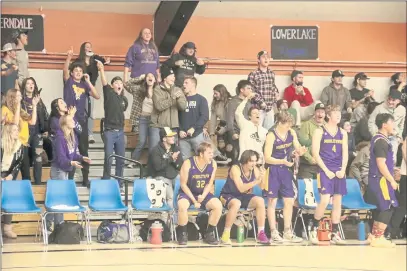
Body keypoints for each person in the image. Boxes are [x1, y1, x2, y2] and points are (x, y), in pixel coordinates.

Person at [263, 111, 306, 243]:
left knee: (289, 201)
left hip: (286, 170)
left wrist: (300, 151)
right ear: (280, 123)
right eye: (287, 125)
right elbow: (267, 158)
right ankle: (274, 232)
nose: (289, 127)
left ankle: (287, 231)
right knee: (272, 202)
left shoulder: (291, 133)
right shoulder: (271, 136)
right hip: (272, 170)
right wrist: (282, 161)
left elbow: (297, 147)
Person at [310, 105, 349, 245]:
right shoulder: (319, 131)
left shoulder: (343, 132)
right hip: (325, 169)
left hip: (339, 170)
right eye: (335, 113)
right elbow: (315, 153)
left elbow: (345, 152)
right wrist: (326, 170)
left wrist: (343, 169)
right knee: (325, 200)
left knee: (337, 202)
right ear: (328, 116)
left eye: (339, 113)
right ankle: (313, 228)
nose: (338, 116)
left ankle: (334, 233)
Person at [63, 47, 100, 187]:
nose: (78, 73)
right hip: (69, 121)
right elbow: (65, 71)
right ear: (72, 73)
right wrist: (68, 58)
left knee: (84, 150)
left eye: (80, 71)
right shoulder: (69, 82)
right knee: (71, 149)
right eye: (76, 71)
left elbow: (97, 96)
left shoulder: (84, 85)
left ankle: (86, 178)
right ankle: (70, 179)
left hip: (82, 121)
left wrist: (89, 81)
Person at [49, 115, 91, 230]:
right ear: (64, 123)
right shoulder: (60, 138)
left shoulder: (73, 137)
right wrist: (71, 163)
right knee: (59, 199)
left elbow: (73, 155)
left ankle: (55, 225)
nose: (74, 122)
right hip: (58, 170)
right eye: (71, 120)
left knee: (60, 198)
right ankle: (57, 226)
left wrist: (82, 158)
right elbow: (61, 159)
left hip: (65, 169)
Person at [176, 142, 222, 245]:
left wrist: (203, 196)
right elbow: (183, 184)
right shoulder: (188, 163)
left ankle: (209, 233)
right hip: (188, 192)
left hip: (202, 193)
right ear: (201, 154)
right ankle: (182, 233)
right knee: (182, 206)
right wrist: (194, 200)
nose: (212, 155)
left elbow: (210, 183)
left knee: (218, 205)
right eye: (209, 153)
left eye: (212, 153)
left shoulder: (213, 163)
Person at [219, 150, 269, 244]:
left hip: (243, 196)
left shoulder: (255, 169)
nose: (254, 163)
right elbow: (241, 188)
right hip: (227, 195)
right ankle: (226, 234)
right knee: (236, 203)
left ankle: (261, 233)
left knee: (260, 201)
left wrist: (263, 177)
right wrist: (255, 181)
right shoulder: (235, 168)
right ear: (245, 160)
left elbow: (262, 187)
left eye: (255, 161)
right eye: (251, 161)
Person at [365, 113, 398, 247]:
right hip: (381, 180)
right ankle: (379, 237)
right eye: (392, 122)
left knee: (380, 208)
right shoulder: (381, 142)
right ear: (384, 125)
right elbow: (381, 164)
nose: (394, 125)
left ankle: (373, 236)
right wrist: (392, 180)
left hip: (377, 179)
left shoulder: (378, 139)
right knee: (388, 206)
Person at [75, 41, 111, 144]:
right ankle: (80, 133)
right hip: (80, 88)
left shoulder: (95, 59)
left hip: (91, 88)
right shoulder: (79, 61)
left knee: (90, 112)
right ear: (83, 49)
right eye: (87, 47)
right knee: (80, 112)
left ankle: (90, 134)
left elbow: (105, 62)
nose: (89, 48)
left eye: (90, 46)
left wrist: (107, 61)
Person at [99, 63, 128, 185]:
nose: (119, 85)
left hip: (120, 132)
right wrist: (101, 69)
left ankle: (119, 182)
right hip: (109, 131)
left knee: (120, 159)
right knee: (108, 158)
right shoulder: (109, 94)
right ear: (112, 85)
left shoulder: (124, 100)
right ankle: (106, 180)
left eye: (120, 83)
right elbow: (104, 83)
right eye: (116, 83)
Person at [2, 88, 39, 182]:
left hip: (22, 144)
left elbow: (33, 121)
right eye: (18, 96)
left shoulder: (21, 110)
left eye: (20, 96)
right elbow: (15, 124)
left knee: (26, 172)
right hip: (10, 144)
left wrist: (34, 106)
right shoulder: (4, 109)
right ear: (12, 97)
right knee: (10, 173)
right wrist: (18, 107)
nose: (20, 98)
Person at [150, 65, 187, 151]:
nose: (173, 78)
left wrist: (178, 99)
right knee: (154, 151)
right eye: (170, 76)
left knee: (172, 151)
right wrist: (172, 98)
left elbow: (183, 107)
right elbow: (159, 106)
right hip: (157, 126)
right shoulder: (157, 89)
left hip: (173, 126)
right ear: (165, 78)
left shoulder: (178, 89)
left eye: (174, 76)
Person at [21, 77, 49, 185]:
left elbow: (44, 116)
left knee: (38, 158)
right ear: (24, 86)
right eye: (28, 83)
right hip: (25, 133)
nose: (30, 85)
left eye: (32, 83)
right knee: (25, 160)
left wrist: (45, 129)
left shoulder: (39, 100)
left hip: (37, 133)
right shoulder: (21, 101)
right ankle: (26, 184)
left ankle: (38, 183)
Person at [148, 127, 184, 208]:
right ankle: (171, 217)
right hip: (160, 175)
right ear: (164, 139)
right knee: (170, 196)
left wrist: (175, 161)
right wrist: (171, 158)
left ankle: (181, 213)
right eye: (170, 136)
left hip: (174, 175)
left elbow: (180, 166)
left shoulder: (176, 148)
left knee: (183, 186)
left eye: (173, 136)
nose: (173, 138)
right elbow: (158, 167)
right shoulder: (156, 150)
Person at [368, 89, 405, 166]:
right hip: (380, 137)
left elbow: (401, 125)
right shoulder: (379, 108)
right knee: (380, 160)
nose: (390, 102)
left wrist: (398, 137)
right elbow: (371, 122)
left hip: (394, 137)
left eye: (393, 100)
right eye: (389, 99)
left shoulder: (402, 110)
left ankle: (389, 176)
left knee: (392, 160)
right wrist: (376, 135)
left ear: (398, 101)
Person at [1, 124, 24, 239]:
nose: (17, 132)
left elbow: (18, 164)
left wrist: (11, 176)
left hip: (9, 175)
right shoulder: (1, 144)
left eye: (17, 129)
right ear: (8, 131)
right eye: (14, 130)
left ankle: (7, 228)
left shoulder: (19, 146)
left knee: (9, 201)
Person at [248, 50, 279, 130]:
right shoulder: (253, 74)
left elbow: (273, 86)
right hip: (258, 108)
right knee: (257, 129)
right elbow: (251, 90)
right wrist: (261, 102)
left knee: (269, 131)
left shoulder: (271, 73)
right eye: (263, 57)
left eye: (268, 57)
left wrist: (276, 93)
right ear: (258, 60)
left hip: (269, 107)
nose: (266, 59)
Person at [235, 93, 268, 165]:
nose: (257, 114)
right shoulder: (244, 124)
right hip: (245, 160)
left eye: (258, 113)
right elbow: (238, 112)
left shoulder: (264, 131)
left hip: (258, 162)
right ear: (249, 116)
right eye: (254, 113)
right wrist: (246, 99)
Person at [297, 103, 326, 179]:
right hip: (308, 166)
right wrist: (310, 159)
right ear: (314, 113)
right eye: (318, 112)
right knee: (307, 189)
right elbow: (302, 144)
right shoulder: (307, 125)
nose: (320, 114)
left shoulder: (327, 127)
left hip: (322, 166)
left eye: (322, 112)